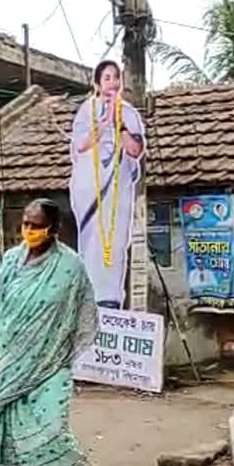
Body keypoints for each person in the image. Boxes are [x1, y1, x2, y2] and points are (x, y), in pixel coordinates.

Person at [0, 198, 100, 466]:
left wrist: (60, 348)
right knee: (5, 424)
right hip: (13, 363)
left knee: (51, 429)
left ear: (54, 227)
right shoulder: (10, 260)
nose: (29, 230)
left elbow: (81, 314)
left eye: (37, 225)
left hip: (51, 365)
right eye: (26, 224)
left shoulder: (70, 266)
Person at [70, 59, 146, 310]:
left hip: (118, 188)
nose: (112, 82)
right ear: (97, 84)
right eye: (107, 78)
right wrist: (104, 123)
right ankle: (90, 300)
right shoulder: (86, 110)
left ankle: (111, 300)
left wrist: (119, 122)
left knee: (115, 246)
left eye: (116, 77)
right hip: (90, 189)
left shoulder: (130, 113)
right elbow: (80, 145)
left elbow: (135, 150)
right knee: (92, 245)